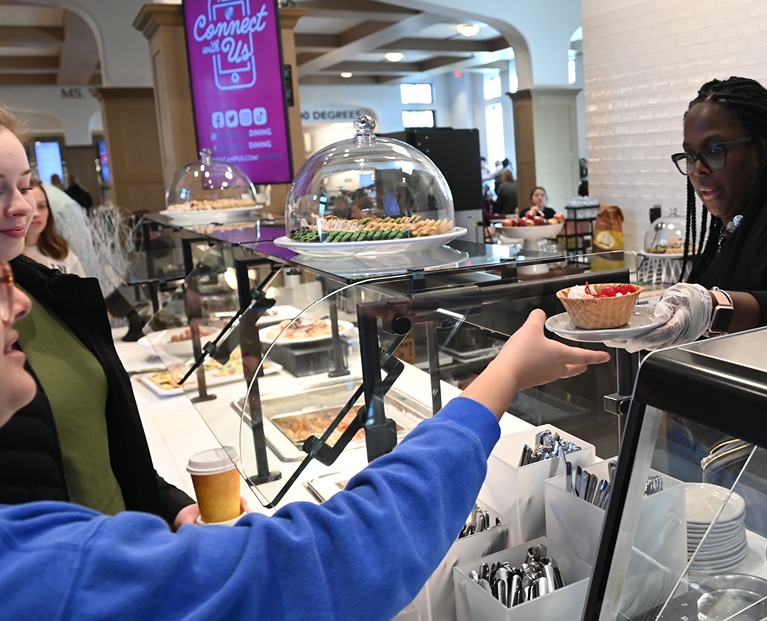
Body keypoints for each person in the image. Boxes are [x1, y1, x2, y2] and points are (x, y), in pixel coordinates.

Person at [0, 265, 610, 618]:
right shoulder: (41, 570)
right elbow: (335, 557)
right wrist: (501, 378)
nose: (21, 303)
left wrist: (164, 509)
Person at [0, 106, 196, 526]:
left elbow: (99, 442)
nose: (21, 208)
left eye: (24, 187)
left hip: (121, 550)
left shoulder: (48, 292)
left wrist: (168, 504)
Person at [615, 76, 767, 352]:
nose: (698, 169)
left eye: (715, 150)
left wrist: (715, 308)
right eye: (691, 155)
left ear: (759, 152)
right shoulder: (732, 226)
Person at [23, 181, 85, 276]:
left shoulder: (60, 250)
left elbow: (81, 288)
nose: (36, 214)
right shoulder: (9, 258)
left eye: (41, 206)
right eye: (29, 207)